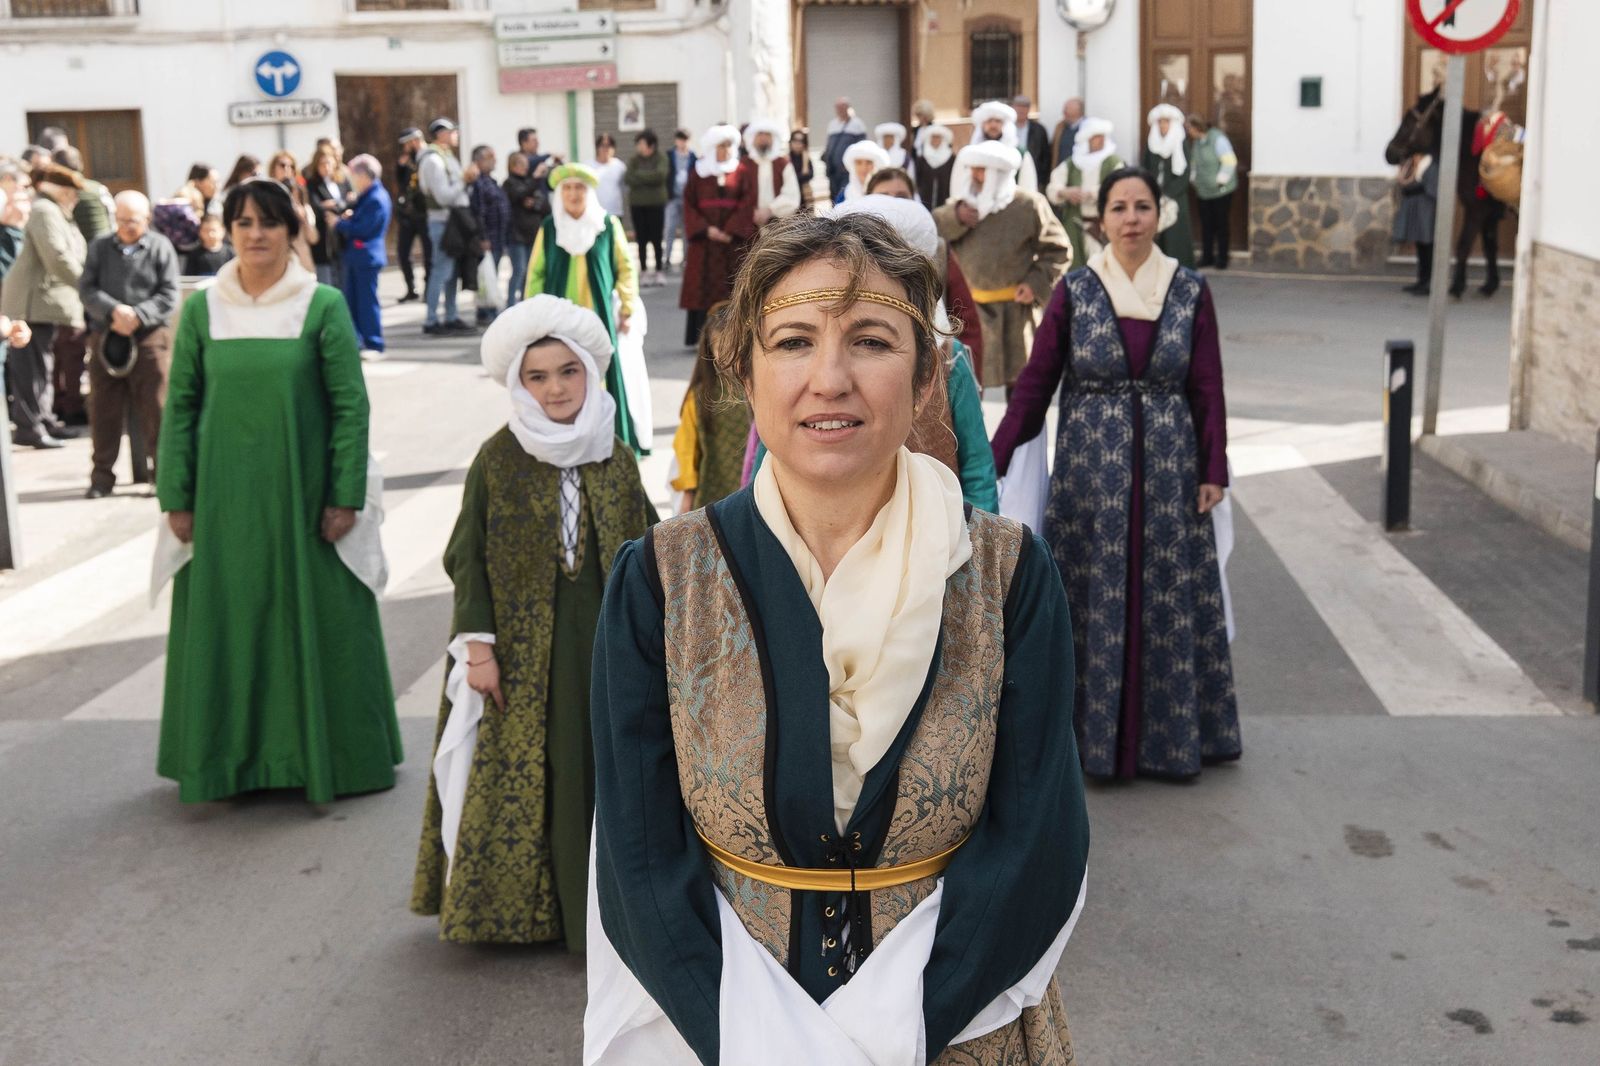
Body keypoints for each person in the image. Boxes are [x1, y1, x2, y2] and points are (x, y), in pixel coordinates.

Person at [586, 210, 1088, 1066]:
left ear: (929, 376)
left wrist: (901, 1030)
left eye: (870, 341)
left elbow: (1036, 835)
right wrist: (755, 1041)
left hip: (955, 1031)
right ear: (742, 370)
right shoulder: (661, 582)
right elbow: (637, 854)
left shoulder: (1006, 577)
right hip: (721, 1034)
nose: (830, 378)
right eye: (791, 342)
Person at [411, 293, 656, 948]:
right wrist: (479, 648)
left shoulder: (615, 453)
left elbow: (648, 546)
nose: (555, 389)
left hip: (603, 645)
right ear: (518, 383)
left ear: (590, 372)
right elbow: (469, 556)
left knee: (601, 769)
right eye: (538, 377)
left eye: (567, 372)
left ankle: (605, 918)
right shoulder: (500, 458)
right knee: (533, 773)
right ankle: (531, 913)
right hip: (519, 652)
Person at [155, 178, 402, 803]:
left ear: (291, 232)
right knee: (233, 625)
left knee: (315, 627)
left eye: (268, 223)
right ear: (228, 231)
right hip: (221, 506)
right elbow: (179, 406)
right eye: (242, 223)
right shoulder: (205, 307)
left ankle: (326, 759)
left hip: (306, 503)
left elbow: (351, 408)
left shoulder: (320, 305)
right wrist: (175, 497)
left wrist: (345, 494)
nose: (255, 235)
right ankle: (232, 761)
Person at [990, 166, 1241, 780]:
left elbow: (1206, 384)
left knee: (1168, 601)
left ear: (1160, 216)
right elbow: (1035, 385)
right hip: (1090, 485)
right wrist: (989, 460)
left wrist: (1214, 467)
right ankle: (1090, 743)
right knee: (1091, 602)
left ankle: (1173, 742)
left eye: (1143, 206)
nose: (1131, 218)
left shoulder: (1188, 289)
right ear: (1100, 219)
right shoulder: (1076, 291)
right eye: (1119, 207)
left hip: (1170, 475)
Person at [525, 163, 642, 454]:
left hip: (600, 318)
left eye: (579, 188)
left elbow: (625, 268)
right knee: (563, 376)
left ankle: (608, 441)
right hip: (558, 322)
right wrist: (534, 314)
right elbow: (536, 274)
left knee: (600, 378)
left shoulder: (606, 225)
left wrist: (627, 307)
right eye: (568, 189)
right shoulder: (550, 228)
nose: (573, 194)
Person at [934, 141, 1070, 391]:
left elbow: (1058, 249)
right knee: (967, 386)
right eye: (973, 169)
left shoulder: (1029, 205)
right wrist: (956, 217)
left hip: (1014, 315)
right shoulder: (961, 206)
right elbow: (931, 231)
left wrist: (1035, 284)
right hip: (967, 314)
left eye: (982, 170)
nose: (975, 176)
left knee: (1022, 388)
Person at [78, 189, 179, 498]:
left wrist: (139, 314)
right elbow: (86, 288)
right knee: (103, 410)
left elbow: (169, 294)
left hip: (148, 336)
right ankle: (101, 477)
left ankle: (163, 477)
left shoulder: (161, 248)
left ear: (146, 219)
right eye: (119, 220)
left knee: (156, 408)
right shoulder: (100, 247)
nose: (125, 227)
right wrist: (113, 312)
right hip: (107, 335)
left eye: (131, 221)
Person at [865, 170, 986, 382]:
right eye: (884, 196)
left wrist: (968, 384)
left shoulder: (937, 250)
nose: (894, 204)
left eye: (902, 197)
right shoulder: (849, 257)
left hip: (933, 379)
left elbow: (966, 321)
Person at [1, 162, 86, 449]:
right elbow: (57, 257)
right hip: (30, 303)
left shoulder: (54, 211)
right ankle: (30, 426)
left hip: (42, 302)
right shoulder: (45, 211)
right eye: (72, 194)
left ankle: (44, 419)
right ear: (62, 191)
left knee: (43, 366)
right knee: (31, 368)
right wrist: (88, 286)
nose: (74, 200)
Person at [49, 145, 113, 429]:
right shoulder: (96, 189)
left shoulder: (70, 194)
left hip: (82, 274)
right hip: (94, 272)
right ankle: (72, 403)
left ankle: (68, 403)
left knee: (71, 344)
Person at [679, 125, 756, 348]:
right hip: (705, 243)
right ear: (713, 148)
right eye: (722, 146)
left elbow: (746, 202)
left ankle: (735, 335)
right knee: (703, 289)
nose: (727, 150)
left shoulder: (741, 172)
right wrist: (706, 229)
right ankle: (704, 337)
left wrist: (731, 230)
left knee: (732, 287)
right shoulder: (698, 173)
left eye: (730, 146)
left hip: (732, 244)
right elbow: (689, 205)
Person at [668, 302, 748, 512]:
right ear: (710, 350)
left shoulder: (760, 387)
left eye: (736, 347)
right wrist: (687, 493)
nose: (730, 356)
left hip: (755, 488)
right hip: (712, 492)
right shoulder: (700, 396)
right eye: (721, 348)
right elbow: (686, 447)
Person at [419, 117, 481, 335]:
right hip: (442, 222)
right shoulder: (433, 161)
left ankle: (451, 316)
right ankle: (431, 319)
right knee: (440, 270)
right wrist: (464, 180)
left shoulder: (447, 158)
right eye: (452, 131)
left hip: (454, 222)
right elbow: (444, 196)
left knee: (453, 271)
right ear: (441, 134)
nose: (456, 135)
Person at [333, 154, 392, 360]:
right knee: (355, 301)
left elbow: (365, 228)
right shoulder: (367, 196)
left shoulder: (376, 197)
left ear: (364, 175)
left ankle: (374, 343)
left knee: (367, 302)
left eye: (354, 175)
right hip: (359, 257)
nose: (352, 180)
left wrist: (339, 224)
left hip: (366, 257)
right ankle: (361, 341)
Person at [1047, 118, 1123, 268]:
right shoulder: (1071, 163)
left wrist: (1091, 193)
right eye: (1096, 137)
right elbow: (1052, 188)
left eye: (1102, 137)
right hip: (1075, 223)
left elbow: (1119, 186)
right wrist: (1065, 192)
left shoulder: (1113, 162)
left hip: (1101, 224)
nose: (1100, 140)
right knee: (1075, 266)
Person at [1142, 104, 1196, 267]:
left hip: (1175, 197)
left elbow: (1184, 174)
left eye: (1166, 122)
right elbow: (1146, 169)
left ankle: (1181, 267)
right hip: (1154, 196)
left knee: (1176, 234)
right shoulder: (1152, 145)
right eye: (1160, 123)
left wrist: (1169, 193)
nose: (1163, 126)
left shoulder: (1180, 144)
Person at [1186, 113, 1237, 270]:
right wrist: (1194, 179)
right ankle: (1207, 257)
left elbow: (1229, 161)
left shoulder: (1218, 139)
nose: (1188, 132)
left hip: (1221, 191)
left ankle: (1222, 258)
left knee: (1221, 225)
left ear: (1196, 128)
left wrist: (1220, 180)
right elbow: (1194, 163)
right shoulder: (1197, 143)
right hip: (1204, 191)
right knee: (1206, 225)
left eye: (1189, 128)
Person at [468, 144, 509, 324]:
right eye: (490, 157)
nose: (494, 161)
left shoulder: (490, 181)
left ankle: (489, 309)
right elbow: (479, 212)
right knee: (486, 275)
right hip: (488, 238)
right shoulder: (477, 183)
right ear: (479, 161)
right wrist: (483, 237)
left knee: (492, 273)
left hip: (498, 237)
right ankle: (485, 311)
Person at [624, 129, 670, 287]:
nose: (639, 146)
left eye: (642, 143)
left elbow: (660, 176)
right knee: (641, 239)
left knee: (657, 239)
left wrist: (640, 176)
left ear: (651, 144)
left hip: (656, 203)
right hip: (637, 204)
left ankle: (658, 270)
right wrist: (648, 177)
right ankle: (643, 270)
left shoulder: (661, 158)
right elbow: (628, 177)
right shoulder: (633, 160)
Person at [503, 151, 547, 307]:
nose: (525, 167)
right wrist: (534, 179)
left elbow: (542, 204)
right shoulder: (509, 183)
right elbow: (519, 195)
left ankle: (525, 302)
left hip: (532, 235)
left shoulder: (529, 182)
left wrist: (533, 203)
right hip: (517, 236)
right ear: (513, 166)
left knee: (530, 272)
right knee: (519, 270)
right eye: (521, 164)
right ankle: (510, 304)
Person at [1391, 150, 1438, 296]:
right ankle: (1421, 280)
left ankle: (1429, 282)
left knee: (1427, 245)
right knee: (1421, 246)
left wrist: (1415, 188)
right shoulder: (1413, 166)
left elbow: (1431, 188)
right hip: (1418, 209)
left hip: (1427, 210)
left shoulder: (1432, 167)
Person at [742, 119, 801, 229]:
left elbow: (792, 196)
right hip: (748, 227)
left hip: (778, 226)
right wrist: (751, 212)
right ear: (753, 138)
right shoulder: (743, 164)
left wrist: (770, 210)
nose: (763, 138)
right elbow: (737, 194)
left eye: (767, 134)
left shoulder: (783, 164)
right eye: (760, 134)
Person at [267, 150, 319, 275]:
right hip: (277, 261)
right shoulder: (266, 196)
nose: (287, 170)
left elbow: (313, 238)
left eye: (291, 166)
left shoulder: (301, 195)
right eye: (282, 165)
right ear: (273, 169)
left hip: (302, 262)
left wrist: (304, 218)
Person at [969, 100, 1039, 192]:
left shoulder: (1021, 154)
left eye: (998, 121)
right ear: (982, 125)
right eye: (989, 121)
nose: (993, 125)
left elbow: (1029, 189)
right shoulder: (971, 155)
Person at [394, 127, 430, 303]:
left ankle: (429, 288)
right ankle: (411, 288)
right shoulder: (406, 161)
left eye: (407, 143)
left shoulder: (427, 156)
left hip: (424, 214)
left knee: (429, 253)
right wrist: (400, 167)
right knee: (403, 252)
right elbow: (401, 185)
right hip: (408, 215)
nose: (405, 147)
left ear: (414, 141)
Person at [306, 147, 347, 286]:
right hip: (324, 239)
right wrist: (331, 206)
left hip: (341, 237)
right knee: (327, 281)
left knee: (343, 281)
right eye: (322, 164)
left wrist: (336, 205)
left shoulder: (341, 181)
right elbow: (315, 206)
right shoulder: (313, 184)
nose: (326, 167)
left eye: (328, 163)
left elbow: (350, 201)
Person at [822, 96, 867, 204]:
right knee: (833, 196)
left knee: (844, 195)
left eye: (842, 107)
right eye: (838, 107)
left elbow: (861, 147)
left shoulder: (857, 124)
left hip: (846, 170)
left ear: (848, 107)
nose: (840, 110)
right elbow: (829, 145)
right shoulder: (832, 124)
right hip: (832, 170)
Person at [663, 129, 696, 272]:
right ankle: (667, 258)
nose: (682, 143)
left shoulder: (693, 157)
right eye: (680, 140)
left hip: (687, 200)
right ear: (676, 141)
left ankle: (685, 259)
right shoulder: (669, 156)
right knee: (669, 228)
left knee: (686, 230)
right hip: (673, 198)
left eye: (685, 140)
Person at [1012, 95, 1053, 192]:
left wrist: (1042, 180)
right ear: (1013, 108)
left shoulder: (1039, 130)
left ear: (1029, 109)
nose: (1021, 110)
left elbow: (1046, 157)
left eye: (1024, 107)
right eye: (1018, 106)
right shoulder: (1005, 128)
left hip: (1032, 174)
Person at [911, 122, 955, 208]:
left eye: (938, 137)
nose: (935, 140)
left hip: (945, 200)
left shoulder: (951, 158)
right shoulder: (922, 158)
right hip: (924, 200)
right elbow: (917, 179)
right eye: (933, 137)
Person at [591, 133, 628, 218]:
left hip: (615, 212)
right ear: (597, 148)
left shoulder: (619, 166)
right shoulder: (588, 166)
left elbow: (625, 187)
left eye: (609, 146)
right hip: (594, 212)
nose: (606, 149)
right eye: (603, 145)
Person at [787, 129, 816, 214]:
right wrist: (802, 174)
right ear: (791, 142)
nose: (798, 144)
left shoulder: (806, 157)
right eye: (795, 140)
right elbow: (789, 178)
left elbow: (810, 175)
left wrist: (799, 176)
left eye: (801, 141)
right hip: (791, 196)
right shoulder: (786, 159)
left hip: (805, 196)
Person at [1052, 97, 1085, 168]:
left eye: (1067, 108)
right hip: (1061, 171)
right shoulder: (1059, 127)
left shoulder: (1088, 127)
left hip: (1079, 172)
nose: (1064, 112)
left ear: (1078, 111)